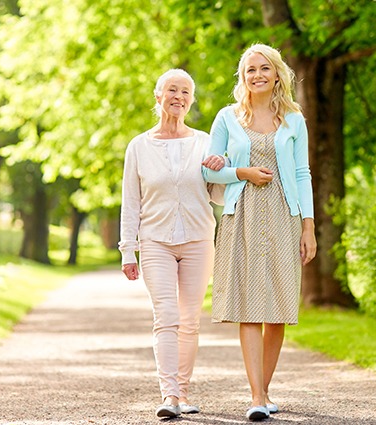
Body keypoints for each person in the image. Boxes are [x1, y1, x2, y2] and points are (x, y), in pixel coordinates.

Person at [202, 44, 316, 421]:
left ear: (277, 73)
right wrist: (241, 172)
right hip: (243, 215)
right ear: (243, 77)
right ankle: (256, 396)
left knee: (278, 309)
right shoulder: (227, 118)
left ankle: (263, 390)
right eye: (250, 70)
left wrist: (308, 226)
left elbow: (302, 173)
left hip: (284, 215)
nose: (257, 75)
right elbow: (209, 170)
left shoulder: (294, 119)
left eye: (264, 68)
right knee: (250, 308)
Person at [118, 68, 225, 419]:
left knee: (190, 320)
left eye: (185, 92)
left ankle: (183, 393)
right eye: (172, 90)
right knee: (165, 316)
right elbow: (131, 202)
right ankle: (169, 396)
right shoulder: (139, 146)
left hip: (197, 240)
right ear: (158, 96)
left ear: (191, 100)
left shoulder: (205, 142)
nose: (178, 96)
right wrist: (127, 249)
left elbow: (219, 196)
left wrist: (221, 167)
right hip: (155, 242)